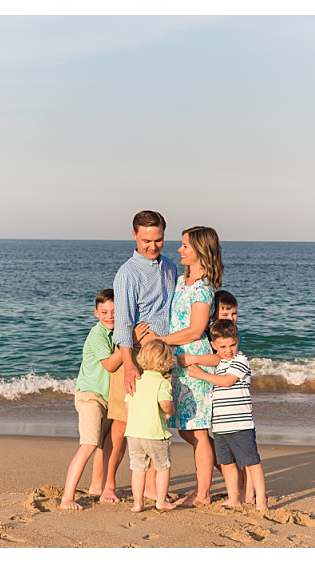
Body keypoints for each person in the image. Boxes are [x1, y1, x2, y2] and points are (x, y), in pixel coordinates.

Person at [138, 226, 224, 506]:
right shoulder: (181, 280)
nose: (180, 250)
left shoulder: (203, 287)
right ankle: (230, 470)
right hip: (176, 361)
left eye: (186, 246)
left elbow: (196, 330)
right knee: (188, 429)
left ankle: (203, 493)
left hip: (191, 361)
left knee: (197, 430)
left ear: (200, 250)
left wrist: (159, 340)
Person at [109, 210, 178, 502]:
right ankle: (108, 483)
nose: (153, 246)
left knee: (156, 423)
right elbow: (123, 324)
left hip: (163, 357)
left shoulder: (171, 267)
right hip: (134, 355)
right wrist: (127, 365)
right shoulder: (127, 273)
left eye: (158, 239)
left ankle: (151, 488)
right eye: (147, 240)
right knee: (125, 422)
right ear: (135, 235)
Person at [183, 320, 266, 510]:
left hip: (241, 424)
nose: (228, 350)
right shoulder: (218, 363)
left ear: (237, 340)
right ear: (213, 346)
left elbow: (227, 382)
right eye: (222, 346)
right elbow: (213, 366)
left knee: (252, 462)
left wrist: (201, 374)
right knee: (227, 464)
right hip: (220, 425)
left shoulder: (241, 360)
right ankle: (233, 498)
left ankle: (260, 500)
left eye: (232, 344)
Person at [59, 289, 123, 510]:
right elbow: (109, 364)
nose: (109, 316)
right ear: (96, 313)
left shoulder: (117, 334)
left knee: (105, 445)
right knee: (88, 444)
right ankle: (67, 496)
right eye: (104, 311)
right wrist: (129, 344)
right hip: (90, 396)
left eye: (114, 311)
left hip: (108, 398)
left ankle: (97, 486)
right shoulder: (97, 335)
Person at [124, 338, 177, 513]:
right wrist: (170, 411)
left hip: (133, 433)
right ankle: (161, 500)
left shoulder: (136, 381)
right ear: (166, 362)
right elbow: (164, 403)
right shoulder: (162, 383)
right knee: (163, 467)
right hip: (155, 433)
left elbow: (127, 406)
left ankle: (138, 503)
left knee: (138, 469)